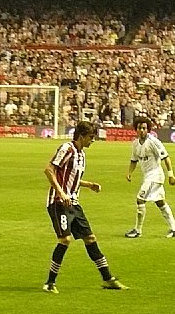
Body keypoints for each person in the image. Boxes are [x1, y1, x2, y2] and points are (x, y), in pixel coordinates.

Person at [43, 121, 128, 293]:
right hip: (59, 203)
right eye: (91, 137)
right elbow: (49, 170)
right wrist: (61, 193)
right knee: (65, 240)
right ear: (81, 136)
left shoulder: (81, 154)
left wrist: (88, 184)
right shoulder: (66, 149)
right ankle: (50, 283)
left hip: (73, 203)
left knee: (90, 238)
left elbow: (70, 178)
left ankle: (108, 279)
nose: (93, 140)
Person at [124, 116, 175, 238]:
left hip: (155, 176)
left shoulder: (154, 142)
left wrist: (171, 175)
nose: (142, 130)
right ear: (136, 129)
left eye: (144, 128)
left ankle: (137, 230)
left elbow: (166, 157)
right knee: (160, 202)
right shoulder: (135, 144)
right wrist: (130, 172)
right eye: (140, 128)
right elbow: (133, 160)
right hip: (147, 177)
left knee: (140, 199)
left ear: (148, 129)